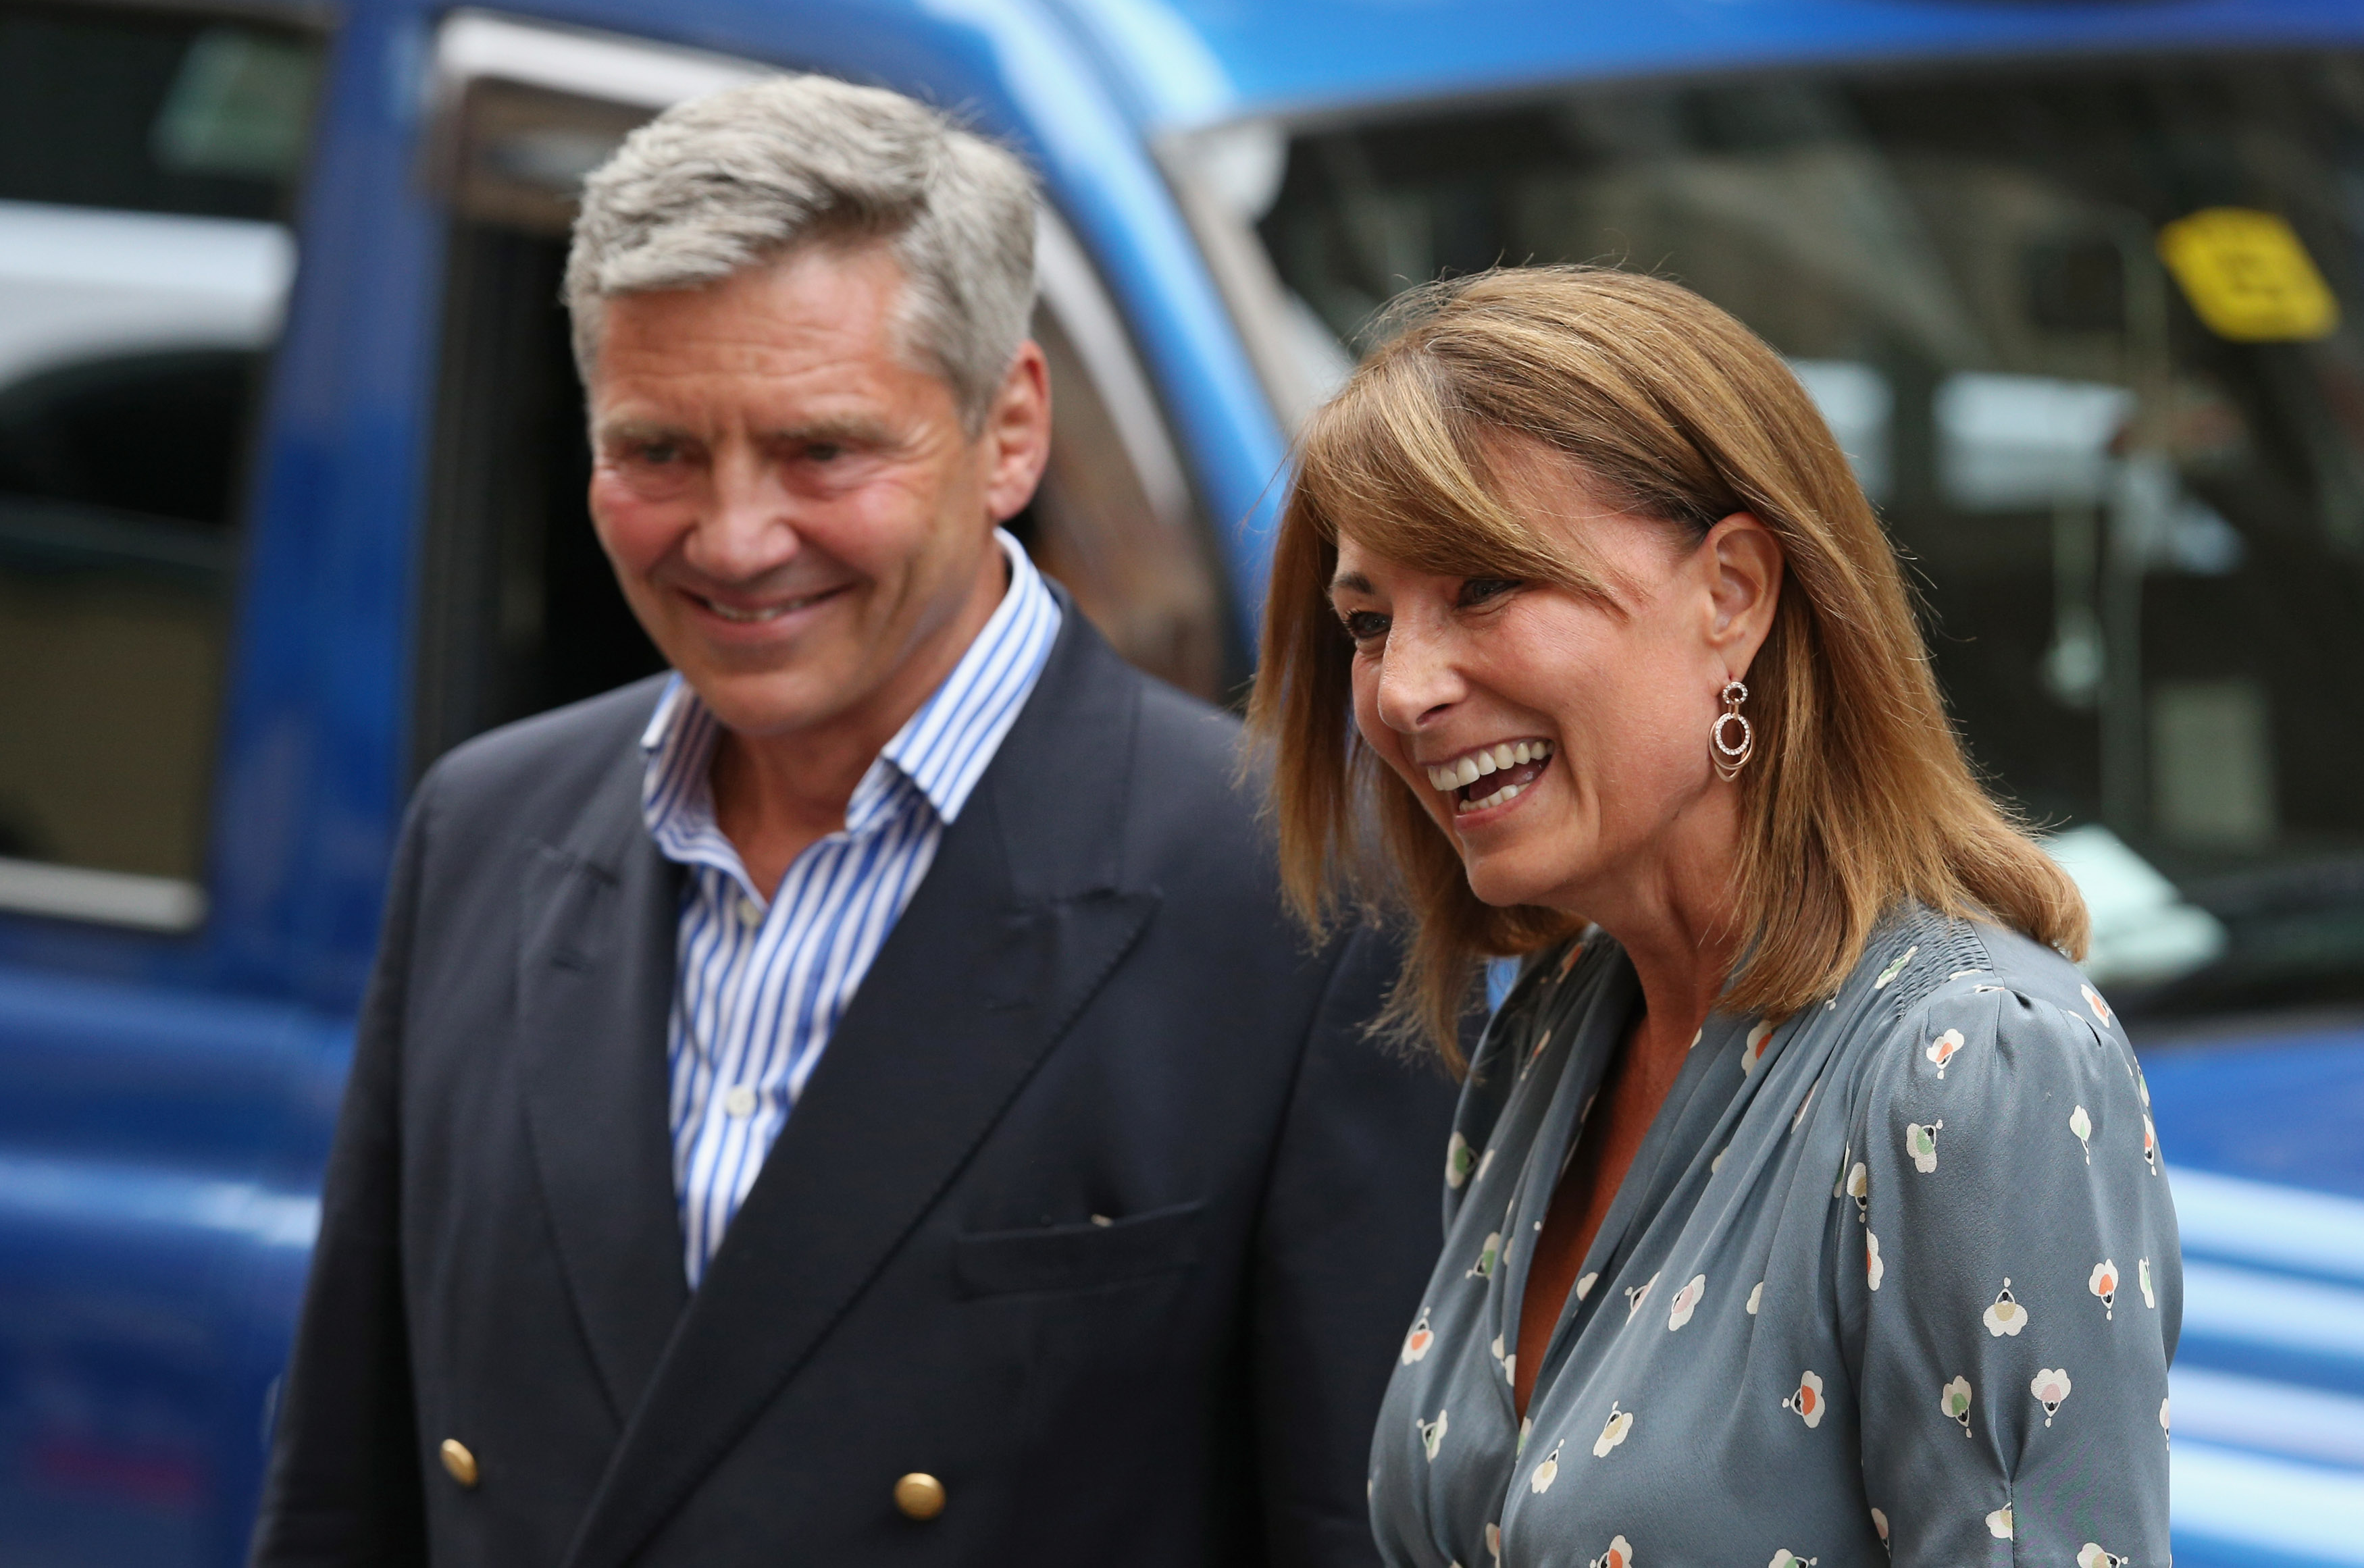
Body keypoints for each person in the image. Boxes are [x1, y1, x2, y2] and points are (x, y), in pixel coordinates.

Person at [251, 76, 1454, 1568]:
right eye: (659, 452)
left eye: (821, 450)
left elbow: (1352, 1526)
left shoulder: (1297, 896)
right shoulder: (484, 832)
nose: (736, 539)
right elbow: (342, 1504)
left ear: (1009, 430)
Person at [1249, 267, 2179, 1568]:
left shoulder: (1971, 1065)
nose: (1402, 688)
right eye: (1365, 620)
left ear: (1731, 594)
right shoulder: (1557, 1032)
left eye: (1482, 588)